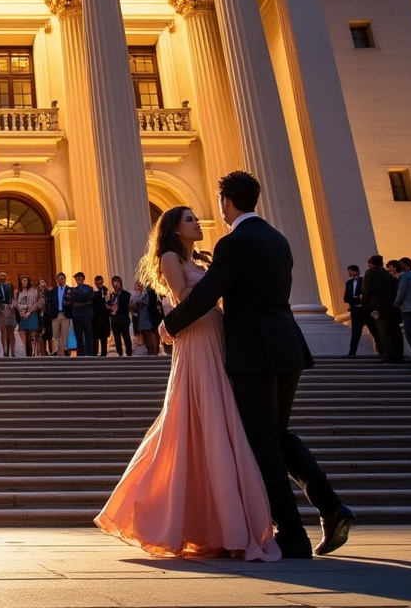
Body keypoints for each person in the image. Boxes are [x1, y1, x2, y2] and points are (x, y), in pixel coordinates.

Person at [160, 171, 354, 558]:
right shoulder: (276, 238)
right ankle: (331, 507)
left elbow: (205, 297)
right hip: (288, 348)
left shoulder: (235, 243)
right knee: (279, 433)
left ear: (226, 202)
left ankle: (293, 534)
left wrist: (169, 326)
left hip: (254, 352)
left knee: (262, 440)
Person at [96, 206, 279, 561]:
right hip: (196, 339)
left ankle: (220, 523)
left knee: (216, 419)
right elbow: (186, 301)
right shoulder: (169, 257)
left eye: (196, 218)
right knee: (203, 415)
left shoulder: (198, 260)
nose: (197, 223)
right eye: (190, 220)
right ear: (174, 229)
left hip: (214, 336)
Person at [362, 255, 402, 363]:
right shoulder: (387, 274)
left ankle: (389, 355)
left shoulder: (370, 273)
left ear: (371, 263)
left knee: (384, 331)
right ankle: (398, 355)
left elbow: (366, 289)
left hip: (377, 307)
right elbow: (395, 288)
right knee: (394, 331)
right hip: (390, 307)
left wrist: (364, 304)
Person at [343, 264, 378, 356]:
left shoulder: (363, 281)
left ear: (355, 271)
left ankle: (382, 350)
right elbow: (346, 297)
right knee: (355, 332)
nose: (349, 273)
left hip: (365, 309)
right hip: (355, 310)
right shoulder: (349, 283)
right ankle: (352, 352)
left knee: (374, 329)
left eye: (350, 271)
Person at [67, 272, 95, 356]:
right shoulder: (73, 290)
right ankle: (80, 354)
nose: (77, 280)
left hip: (86, 315)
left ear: (83, 279)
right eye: (76, 278)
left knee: (88, 335)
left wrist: (78, 303)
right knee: (78, 336)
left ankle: (89, 353)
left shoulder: (88, 289)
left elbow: (88, 298)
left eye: (79, 278)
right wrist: (77, 299)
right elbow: (71, 299)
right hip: (76, 315)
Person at [14, 275, 41, 357]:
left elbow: (39, 301)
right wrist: (18, 307)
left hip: (32, 314)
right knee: (23, 333)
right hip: (22, 315)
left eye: (25, 280)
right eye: (22, 280)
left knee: (33, 334)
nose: (24, 282)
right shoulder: (18, 292)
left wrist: (32, 308)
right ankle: (26, 352)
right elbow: (16, 302)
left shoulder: (35, 291)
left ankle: (34, 352)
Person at [0, 272, 17, 357]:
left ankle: (13, 351)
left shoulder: (10, 286)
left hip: (10, 309)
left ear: (7, 277)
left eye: (4, 276)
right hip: (0, 309)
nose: (2, 277)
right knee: (3, 331)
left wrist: (10, 305)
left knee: (11, 331)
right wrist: (2, 306)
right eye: (1, 276)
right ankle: (5, 351)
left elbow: (13, 297)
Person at [46, 272, 70, 357]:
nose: (60, 280)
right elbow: (49, 303)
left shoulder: (70, 290)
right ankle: (56, 350)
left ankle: (62, 351)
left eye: (62, 278)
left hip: (65, 314)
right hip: (56, 314)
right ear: (57, 280)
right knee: (55, 334)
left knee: (64, 333)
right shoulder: (52, 292)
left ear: (65, 279)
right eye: (59, 279)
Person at [109, 277, 133, 357]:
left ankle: (129, 353)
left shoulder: (126, 294)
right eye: (113, 282)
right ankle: (120, 353)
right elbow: (109, 304)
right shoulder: (111, 294)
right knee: (117, 337)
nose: (115, 284)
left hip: (123, 317)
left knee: (126, 336)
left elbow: (125, 305)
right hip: (114, 318)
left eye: (116, 282)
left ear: (120, 283)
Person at [92, 275, 112, 357]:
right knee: (95, 337)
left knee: (104, 337)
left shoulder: (106, 291)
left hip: (104, 318)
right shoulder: (93, 291)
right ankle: (94, 352)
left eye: (100, 282)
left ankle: (104, 353)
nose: (98, 284)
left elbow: (108, 302)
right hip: (95, 317)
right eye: (97, 283)